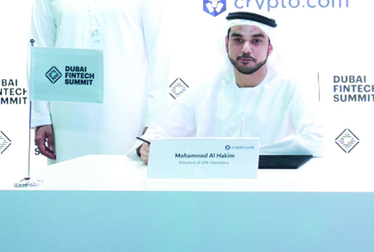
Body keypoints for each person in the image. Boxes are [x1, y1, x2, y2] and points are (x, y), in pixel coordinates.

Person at [29, 0, 168, 163]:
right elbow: (39, 52)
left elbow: (160, 54)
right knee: (69, 184)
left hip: (126, 114)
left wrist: (155, 121)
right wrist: (41, 117)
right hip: (67, 116)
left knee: (125, 184)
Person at [133, 11, 324, 164]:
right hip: (214, 190)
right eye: (238, 40)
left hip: (274, 189)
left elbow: (314, 141)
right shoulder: (206, 89)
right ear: (226, 44)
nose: (246, 49)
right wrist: (146, 148)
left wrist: (245, 156)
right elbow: (158, 131)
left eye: (256, 41)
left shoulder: (293, 89)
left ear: (270, 48)